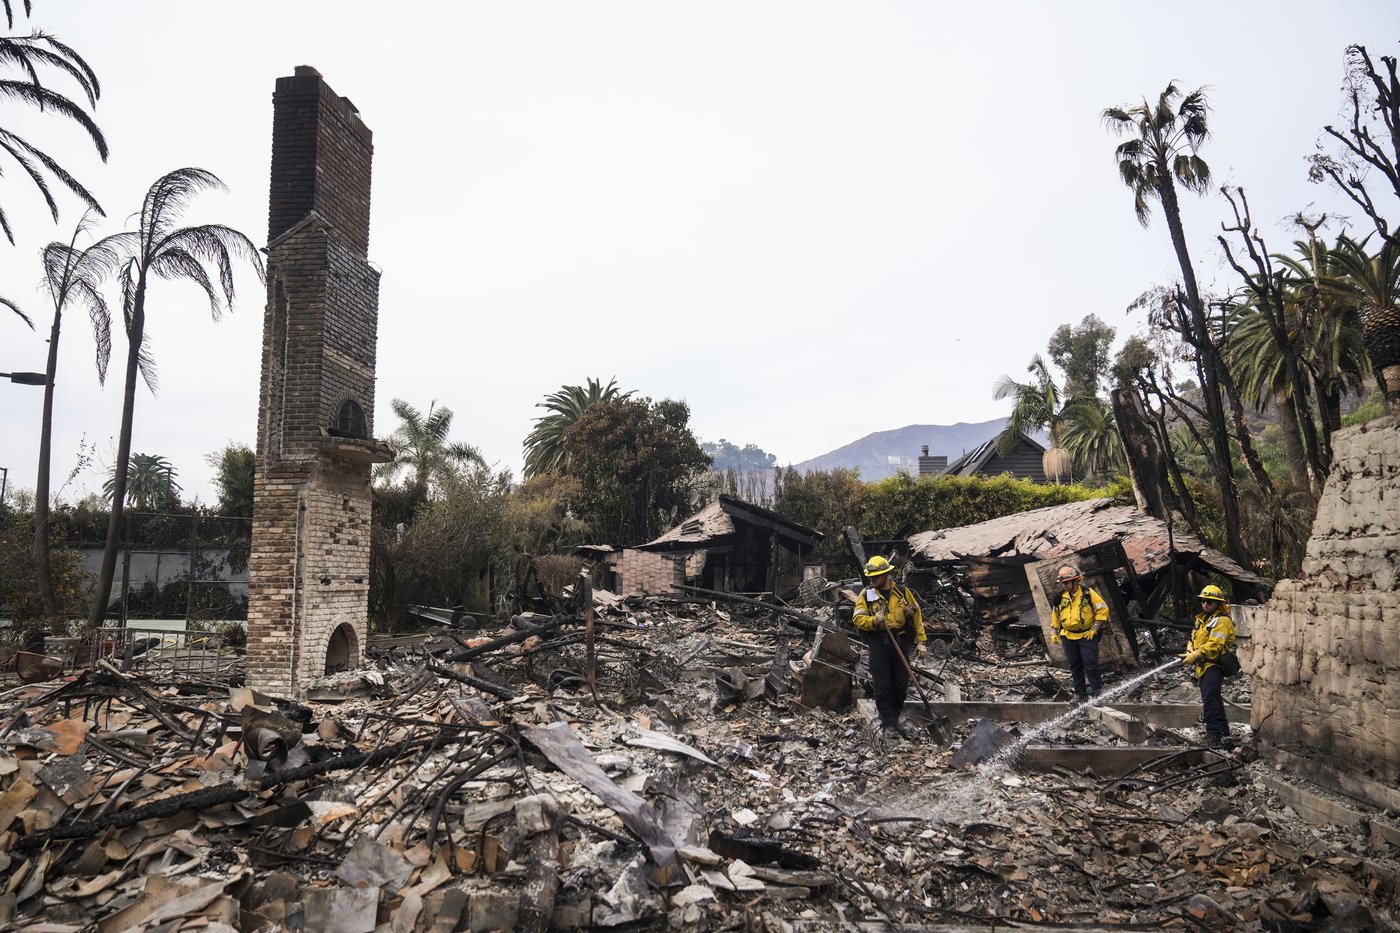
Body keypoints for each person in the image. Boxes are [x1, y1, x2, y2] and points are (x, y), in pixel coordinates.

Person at [853, 555, 926, 739]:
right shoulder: (867, 594)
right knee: (882, 684)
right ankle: (887, 722)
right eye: (870, 578)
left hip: (900, 641)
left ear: (885, 575)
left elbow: (916, 615)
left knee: (900, 683)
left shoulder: (902, 592)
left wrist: (921, 641)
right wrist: (873, 621)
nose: (872, 580)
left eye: (875, 577)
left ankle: (895, 717)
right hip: (879, 643)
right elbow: (857, 618)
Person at [1182, 584, 1236, 748]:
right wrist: (1190, 648)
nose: (1205, 604)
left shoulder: (1223, 621)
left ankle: (1213, 736)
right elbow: (1194, 638)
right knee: (1215, 699)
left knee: (1210, 701)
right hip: (1202, 666)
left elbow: (1215, 644)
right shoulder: (1202, 619)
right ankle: (1224, 732)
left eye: (1210, 602)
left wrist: (1197, 654)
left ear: (1218, 603)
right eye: (1203, 601)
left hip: (1214, 665)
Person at [1049, 565, 1109, 702]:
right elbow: (1055, 614)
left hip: (1087, 635)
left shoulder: (1088, 594)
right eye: (1062, 583)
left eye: (1066, 583)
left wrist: (1094, 628)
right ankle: (1080, 695)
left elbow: (1103, 610)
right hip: (1068, 636)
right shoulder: (1060, 598)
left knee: (1091, 664)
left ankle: (1097, 695)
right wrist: (1054, 631)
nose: (1064, 585)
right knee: (1075, 666)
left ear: (1075, 581)